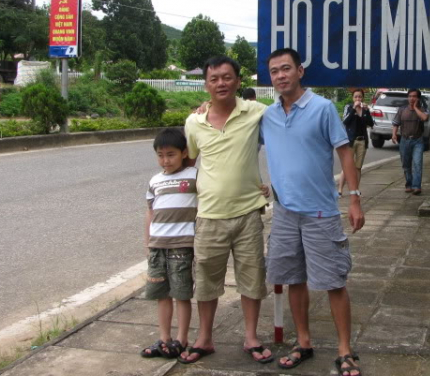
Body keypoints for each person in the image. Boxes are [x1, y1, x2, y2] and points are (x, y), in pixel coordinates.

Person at [261, 48, 365, 376]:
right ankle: (303, 342)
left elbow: (345, 153)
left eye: (286, 69)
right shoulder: (268, 115)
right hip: (285, 214)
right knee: (294, 279)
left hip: (321, 212)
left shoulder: (322, 108)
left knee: (334, 281)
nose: (280, 76)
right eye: (275, 71)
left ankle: (345, 350)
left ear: (300, 71)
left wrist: (354, 198)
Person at [182, 56, 274, 365]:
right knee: (207, 281)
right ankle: (204, 339)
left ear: (237, 80)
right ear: (206, 84)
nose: (220, 83)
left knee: (252, 278)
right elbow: (191, 162)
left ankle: (251, 337)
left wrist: (271, 185)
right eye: (214, 79)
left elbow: (285, 136)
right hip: (209, 215)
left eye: (226, 77)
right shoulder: (194, 122)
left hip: (248, 213)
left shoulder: (257, 112)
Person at [140, 128, 198, 360]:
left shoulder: (195, 176)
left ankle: (182, 340)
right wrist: (147, 244)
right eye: (160, 155)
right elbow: (150, 212)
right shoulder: (155, 180)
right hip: (157, 247)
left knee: (182, 294)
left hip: (182, 246)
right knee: (161, 294)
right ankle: (164, 339)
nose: (165, 160)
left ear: (184, 153)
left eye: (171, 154)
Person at [391, 89, 429, 196]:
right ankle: (409, 184)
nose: (412, 98)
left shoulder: (422, 109)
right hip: (404, 140)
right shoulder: (402, 109)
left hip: (418, 140)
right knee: (406, 164)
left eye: (414, 96)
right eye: (410, 96)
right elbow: (396, 123)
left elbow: (425, 117)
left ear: (418, 98)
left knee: (417, 163)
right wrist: (394, 134)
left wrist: (416, 108)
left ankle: (417, 186)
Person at [337, 88, 374, 196]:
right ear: (353, 98)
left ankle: (355, 190)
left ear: (362, 98)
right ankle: (340, 190)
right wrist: (354, 109)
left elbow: (370, 123)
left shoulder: (365, 109)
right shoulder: (348, 107)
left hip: (362, 140)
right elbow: (345, 121)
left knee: (358, 167)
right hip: (350, 141)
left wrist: (365, 112)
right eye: (356, 97)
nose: (358, 98)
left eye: (360, 97)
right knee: (347, 166)